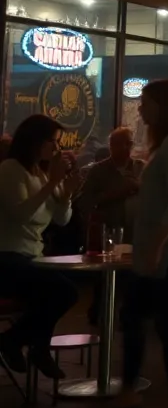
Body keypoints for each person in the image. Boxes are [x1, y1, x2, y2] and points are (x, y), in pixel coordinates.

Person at [104, 80, 168, 408]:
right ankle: (132, 393)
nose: (140, 109)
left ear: (162, 105)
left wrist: (157, 246)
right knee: (138, 318)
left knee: (162, 324)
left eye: (145, 102)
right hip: (163, 247)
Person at [0, 115, 81, 379]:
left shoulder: (42, 173)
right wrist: (51, 183)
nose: (57, 148)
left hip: (32, 257)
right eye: (52, 142)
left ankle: (19, 342)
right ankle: (24, 345)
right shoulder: (11, 170)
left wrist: (66, 193)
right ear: (35, 141)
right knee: (62, 290)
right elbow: (21, 214)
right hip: (7, 256)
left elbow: (62, 219)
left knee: (60, 290)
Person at [75, 127, 143, 325]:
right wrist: (115, 194)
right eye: (122, 144)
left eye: (130, 143)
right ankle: (99, 312)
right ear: (111, 146)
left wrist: (138, 188)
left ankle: (129, 316)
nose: (127, 148)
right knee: (105, 276)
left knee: (132, 276)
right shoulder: (98, 170)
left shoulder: (140, 167)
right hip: (109, 231)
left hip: (134, 231)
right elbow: (84, 201)